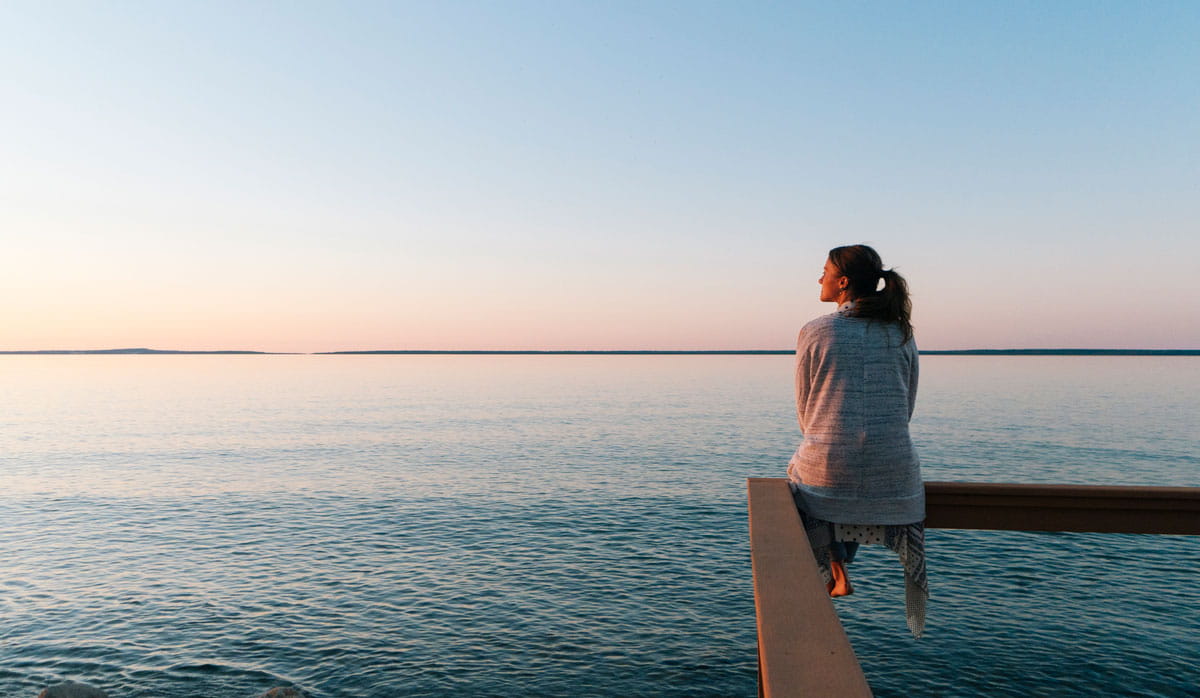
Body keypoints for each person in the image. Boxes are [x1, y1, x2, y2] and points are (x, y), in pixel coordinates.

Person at [787, 244, 927, 637]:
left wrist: (826, 436)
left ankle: (836, 567)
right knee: (847, 479)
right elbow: (907, 402)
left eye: (825, 272)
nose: (819, 278)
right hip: (896, 470)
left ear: (843, 283)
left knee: (806, 476)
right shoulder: (900, 332)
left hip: (830, 466)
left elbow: (805, 408)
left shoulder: (816, 330)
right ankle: (842, 564)